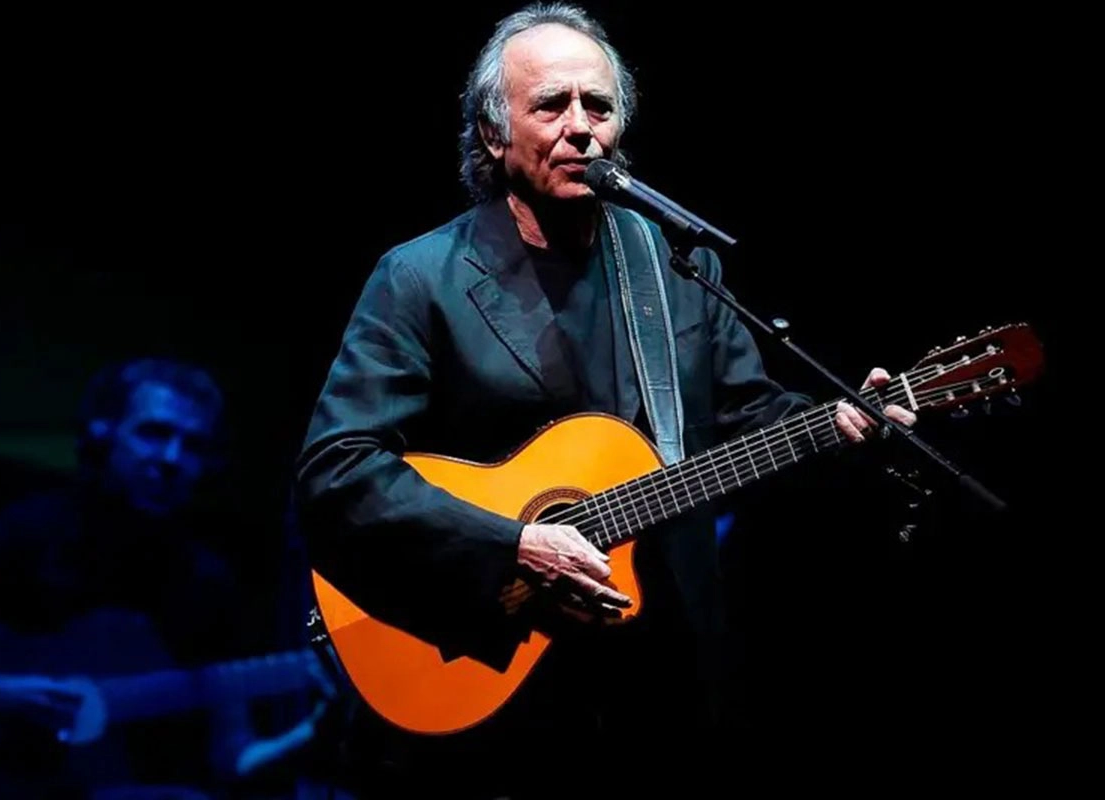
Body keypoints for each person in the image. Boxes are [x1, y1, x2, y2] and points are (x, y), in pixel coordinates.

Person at [293, 3, 917, 795]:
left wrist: (843, 423)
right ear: (493, 135)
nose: (581, 127)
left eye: (599, 106)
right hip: (492, 683)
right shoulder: (421, 279)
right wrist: (514, 544)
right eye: (551, 105)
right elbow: (338, 472)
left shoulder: (673, 268)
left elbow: (745, 417)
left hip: (661, 683)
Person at [0, 357, 335, 799]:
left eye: (193, 445)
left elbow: (236, 757)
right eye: (154, 433)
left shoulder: (207, 583)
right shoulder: (29, 529)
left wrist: (315, 731)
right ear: (103, 435)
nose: (172, 459)